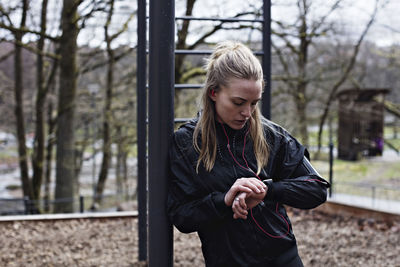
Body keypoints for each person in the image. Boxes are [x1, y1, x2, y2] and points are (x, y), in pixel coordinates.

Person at [167, 41, 330, 267]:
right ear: (213, 92)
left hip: (284, 258)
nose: (247, 112)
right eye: (238, 102)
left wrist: (267, 190)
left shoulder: (273, 136)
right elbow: (182, 215)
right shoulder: (187, 142)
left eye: (254, 103)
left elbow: (317, 188)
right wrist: (225, 200)